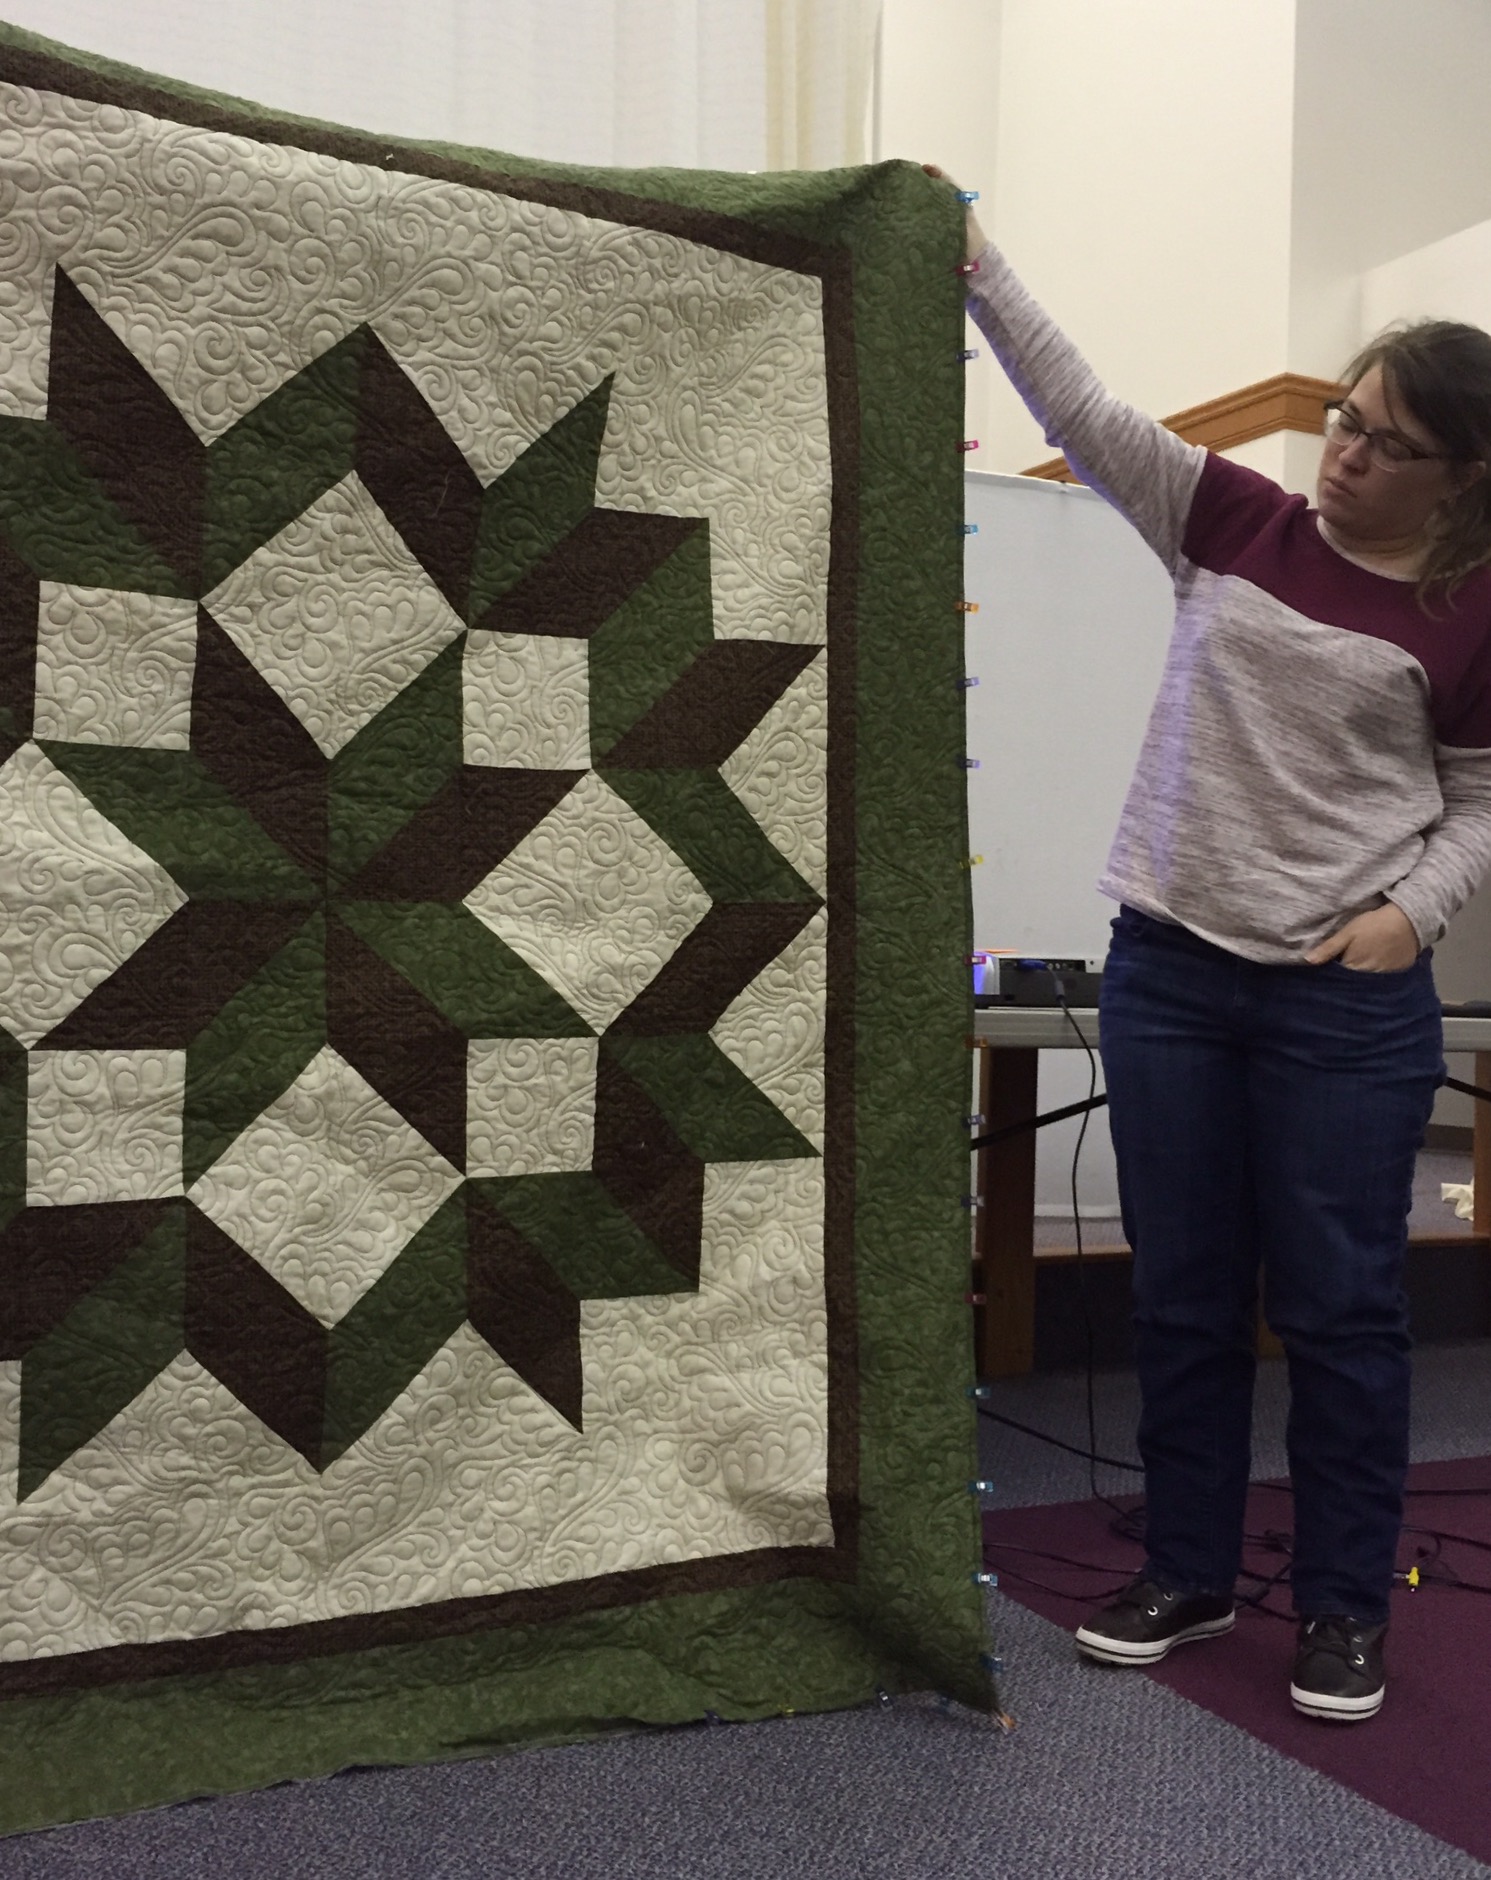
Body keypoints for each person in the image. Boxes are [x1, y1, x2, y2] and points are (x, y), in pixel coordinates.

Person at [929, 166, 1491, 1722]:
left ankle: (1343, 1606)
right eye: (1346, 419)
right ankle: (1186, 1569)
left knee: (1340, 1310)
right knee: (1180, 1294)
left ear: (1462, 477)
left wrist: (1408, 918)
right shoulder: (1236, 518)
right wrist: (981, 265)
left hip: (1344, 1004)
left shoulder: (1472, 611)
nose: (1344, 452)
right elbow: (1086, 406)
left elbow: (1483, 800)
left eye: (1385, 442)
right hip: (1171, 969)